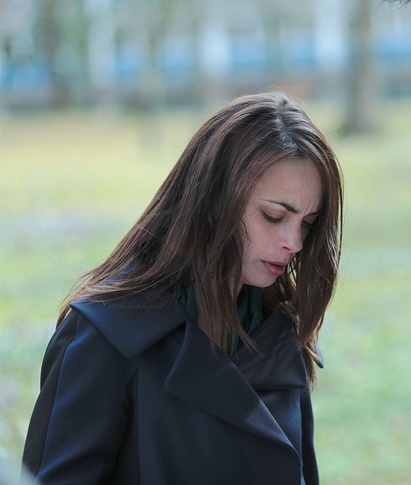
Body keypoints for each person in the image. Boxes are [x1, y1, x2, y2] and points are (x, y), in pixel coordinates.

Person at [22, 91, 343, 484]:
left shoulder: (279, 332)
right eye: (273, 216)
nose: (294, 242)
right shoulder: (107, 338)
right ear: (213, 201)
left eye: (307, 223)